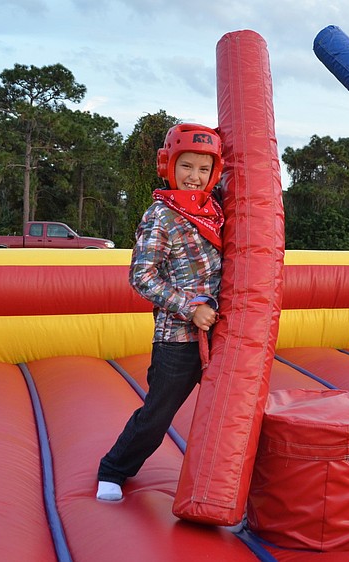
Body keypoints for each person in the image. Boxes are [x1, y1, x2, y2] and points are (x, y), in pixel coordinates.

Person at [96, 123, 225, 502]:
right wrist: (191, 308)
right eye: (187, 166)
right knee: (158, 414)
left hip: (223, 331)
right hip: (178, 340)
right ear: (170, 166)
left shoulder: (214, 209)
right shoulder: (161, 214)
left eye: (204, 169)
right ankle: (114, 469)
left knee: (232, 412)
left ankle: (227, 487)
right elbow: (141, 276)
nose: (194, 177)